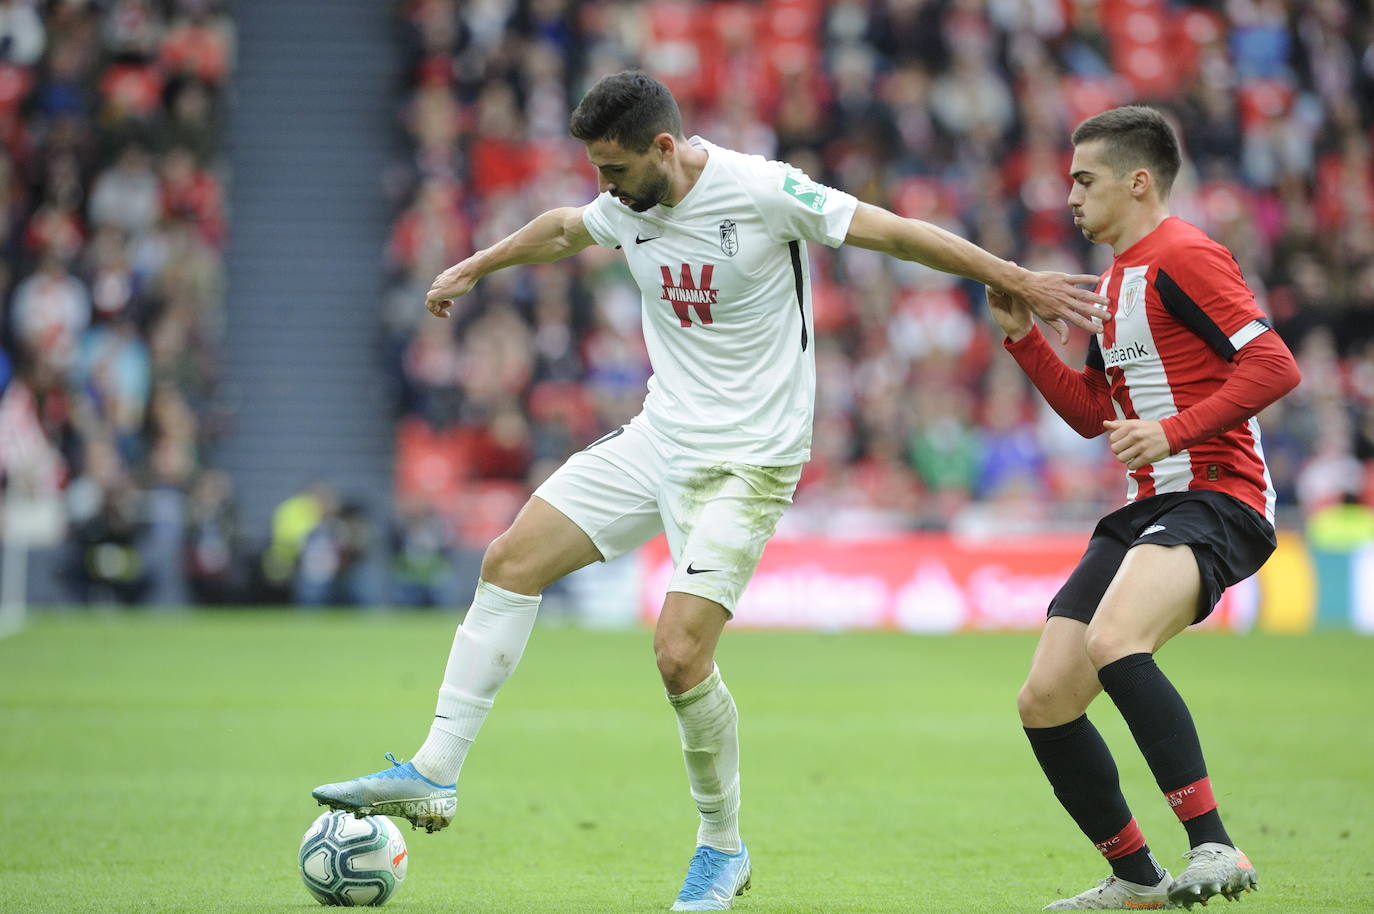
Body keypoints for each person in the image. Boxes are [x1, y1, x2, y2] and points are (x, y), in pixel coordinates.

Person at [312, 70, 1108, 911]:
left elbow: (899, 234)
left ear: (664, 147)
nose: (605, 188)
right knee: (510, 559)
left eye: (614, 170)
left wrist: (1014, 276)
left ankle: (721, 847)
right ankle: (436, 771)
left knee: (679, 654)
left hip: (750, 459)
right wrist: (474, 266)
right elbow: (560, 229)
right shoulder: (630, 202)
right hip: (663, 435)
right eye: (596, 172)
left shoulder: (763, 192)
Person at [984, 106, 1300, 911]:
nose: (1071, 198)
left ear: (1138, 181)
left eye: (1084, 182)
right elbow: (1094, 413)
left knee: (1116, 638)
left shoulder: (1186, 254)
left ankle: (1215, 846)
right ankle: (1136, 881)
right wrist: (1024, 339)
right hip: (1149, 506)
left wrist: (1171, 431)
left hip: (1219, 494)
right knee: (1046, 700)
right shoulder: (1118, 280)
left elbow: (1274, 365)